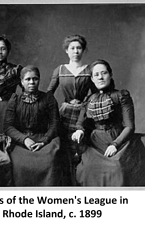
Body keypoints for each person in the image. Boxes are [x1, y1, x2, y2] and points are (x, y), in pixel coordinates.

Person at [72, 60, 145, 187]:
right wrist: (80, 130)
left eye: (104, 73)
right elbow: (80, 123)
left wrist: (115, 145)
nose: (100, 77)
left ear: (110, 74)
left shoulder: (121, 95)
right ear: (92, 79)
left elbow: (130, 126)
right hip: (94, 143)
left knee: (116, 169)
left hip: (119, 140)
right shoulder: (89, 100)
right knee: (87, 170)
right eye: (96, 74)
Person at [47, 35, 96, 185]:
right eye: (72, 48)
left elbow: (95, 94)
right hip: (65, 113)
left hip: (83, 113)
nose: (76, 51)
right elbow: (49, 94)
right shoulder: (60, 70)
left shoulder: (89, 69)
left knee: (82, 148)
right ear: (67, 51)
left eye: (79, 48)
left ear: (83, 50)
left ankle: (81, 182)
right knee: (65, 148)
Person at [4, 66, 62, 186]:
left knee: (50, 161)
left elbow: (55, 124)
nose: (31, 82)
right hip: (21, 142)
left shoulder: (48, 98)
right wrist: (25, 140)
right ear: (22, 82)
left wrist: (43, 141)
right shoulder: (15, 100)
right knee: (18, 164)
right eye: (28, 79)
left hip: (44, 139)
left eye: (35, 79)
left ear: (39, 80)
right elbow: (8, 127)